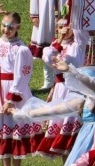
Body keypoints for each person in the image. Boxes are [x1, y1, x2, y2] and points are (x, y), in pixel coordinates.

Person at [0, 13, 41, 166]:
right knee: (3, 132)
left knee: (15, 131)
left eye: (11, 27)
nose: (6, 29)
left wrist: (11, 99)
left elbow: (22, 77)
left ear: (18, 27)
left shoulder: (21, 49)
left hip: (15, 93)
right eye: (4, 25)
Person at [35, 18, 82, 158]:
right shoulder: (52, 48)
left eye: (67, 26)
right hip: (61, 89)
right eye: (60, 26)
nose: (64, 29)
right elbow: (48, 58)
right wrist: (59, 41)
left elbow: (82, 34)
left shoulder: (78, 44)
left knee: (75, 128)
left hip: (75, 88)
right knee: (61, 125)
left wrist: (74, 24)